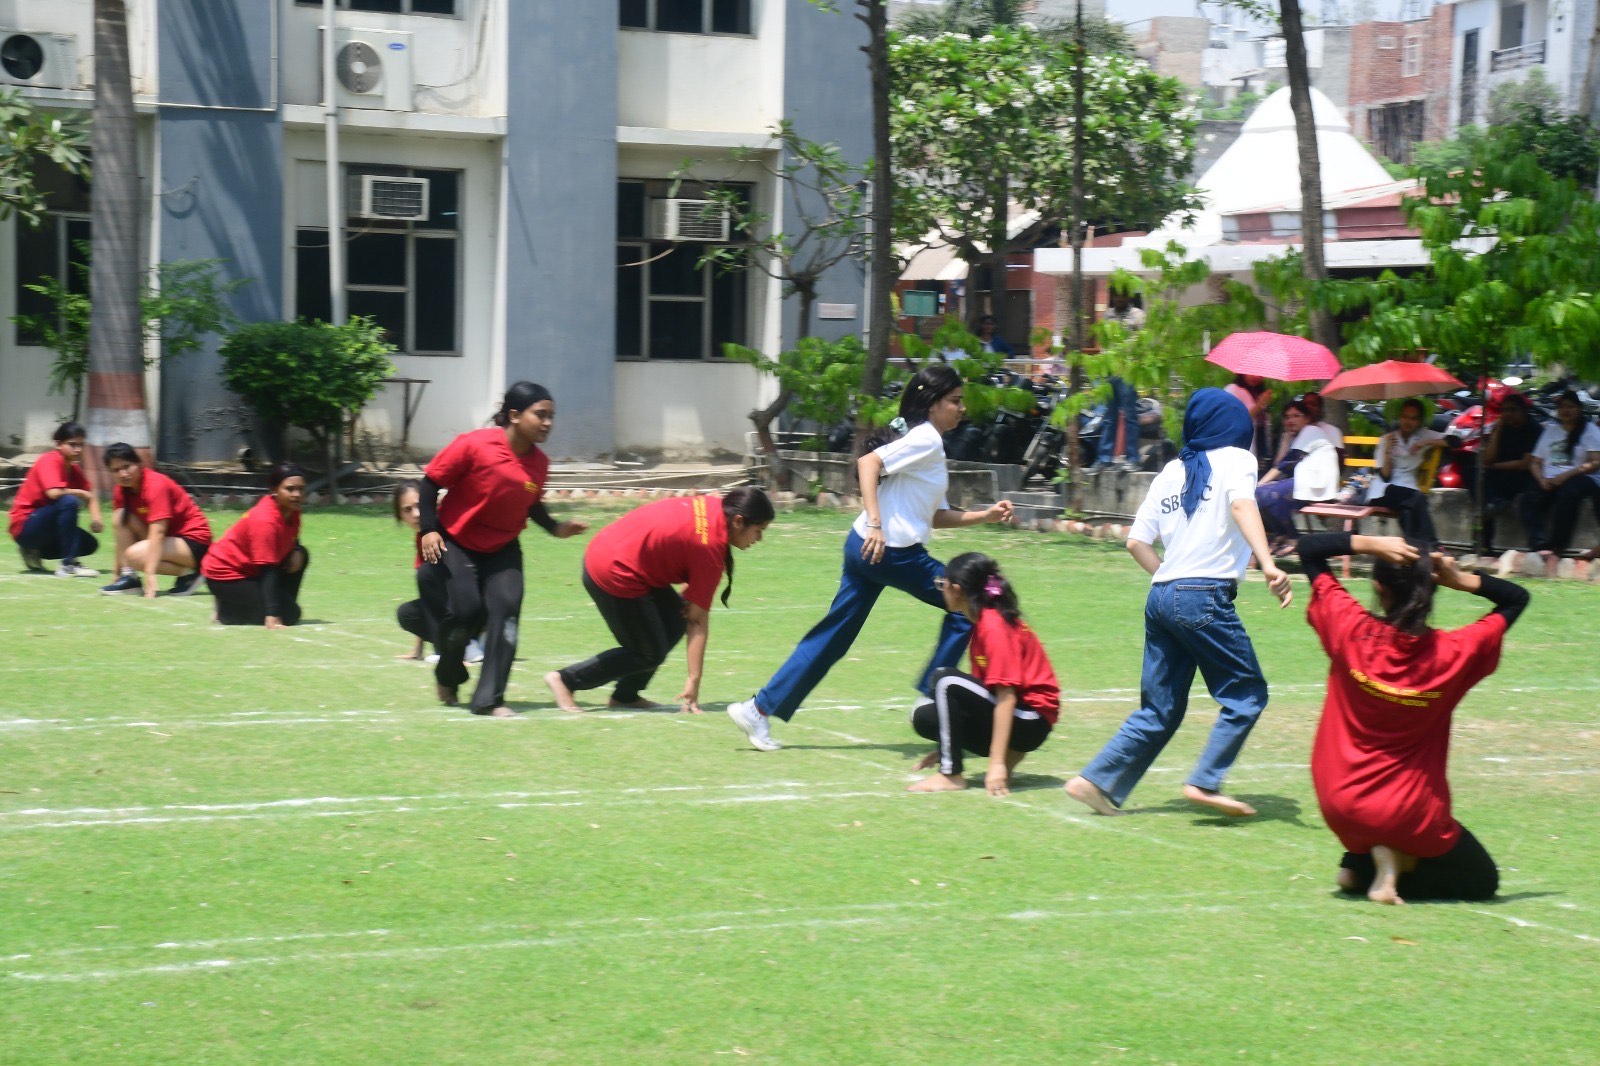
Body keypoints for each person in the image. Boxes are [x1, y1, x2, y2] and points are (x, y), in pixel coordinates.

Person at [726, 365, 1014, 752]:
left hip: (862, 547)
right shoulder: (926, 439)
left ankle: (757, 710)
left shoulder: (924, 441)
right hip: (892, 554)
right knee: (967, 605)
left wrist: (985, 516)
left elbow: (933, 516)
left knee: (832, 638)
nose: (962, 408)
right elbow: (868, 463)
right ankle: (932, 695)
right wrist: (876, 523)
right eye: (955, 401)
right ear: (933, 405)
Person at [1065, 388, 1293, 819]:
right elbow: (1242, 504)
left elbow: (1136, 542)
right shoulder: (1238, 459)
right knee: (1246, 694)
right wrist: (1268, 564)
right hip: (1202, 595)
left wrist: (1170, 583)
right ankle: (1204, 781)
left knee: (1160, 709)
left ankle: (1093, 781)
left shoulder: (1171, 470)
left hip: (1161, 595)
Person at [1299, 531, 1528, 905]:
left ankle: (1358, 865)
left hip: (1338, 803)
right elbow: (1517, 599)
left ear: (1378, 587)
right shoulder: (1455, 653)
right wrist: (1461, 579)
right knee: (1481, 880)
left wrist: (1372, 543)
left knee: (1373, 821)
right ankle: (1394, 863)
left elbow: (1309, 550)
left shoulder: (1350, 629)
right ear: (1432, 589)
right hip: (1408, 814)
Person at [417, 381, 586, 717]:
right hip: (457, 541)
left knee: (506, 612)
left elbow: (531, 504)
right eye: (540, 415)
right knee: (464, 614)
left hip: (503, 547)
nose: (548, 423)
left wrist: (555, 528)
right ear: (514, 415)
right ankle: (448, 674)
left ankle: (489, 699)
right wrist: (428, 529)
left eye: (551, 416)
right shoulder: (474, 445)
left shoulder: (539, 463)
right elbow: (430, 483)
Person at [545, 488, 775, 715]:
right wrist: (694, 680)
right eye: (758, 531)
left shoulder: (716, 506)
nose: (759, 539)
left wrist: (693, 596)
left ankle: (625, 696)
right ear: (738, 521)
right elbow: (696, 621)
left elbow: (689, 599)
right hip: (614, 570)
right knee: (648, 652)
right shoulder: (710, 547)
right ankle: (565, 680)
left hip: (615, 550)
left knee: (675, 620)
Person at [906, 552, 1059, 796]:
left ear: (957, 590)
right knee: (924, 715)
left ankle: (951, 775)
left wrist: (996, 765)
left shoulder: (994, 626)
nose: (941, 589)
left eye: (942, 584)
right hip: (1021, 717)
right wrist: (948, 746)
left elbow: (1006, 696)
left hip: (1031, 719)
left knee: (944, 680)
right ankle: (1007, 753)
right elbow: (982, 692)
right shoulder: (982, 623)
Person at [201, 463, 310, 627]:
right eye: (290, 489)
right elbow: (268, 570)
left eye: (301, 489)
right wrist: (272, 614)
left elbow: (290, 536)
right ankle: (227, 613)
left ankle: (282, 605)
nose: (297, 494)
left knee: (302, 554)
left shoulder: (292, 511)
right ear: (274, 490)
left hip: (252, 570)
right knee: (290, 615)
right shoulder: (265, 520)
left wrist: (296, 549)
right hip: (226, 575)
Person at [98, 442, 213, 597]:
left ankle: (194, 571)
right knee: (120, 517)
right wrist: (116, 575)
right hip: (169, 541)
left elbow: (158, 532)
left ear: (138, 464)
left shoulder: (155, 484)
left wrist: (149, 573)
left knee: (134, 556)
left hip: (194, 542)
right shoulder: (121, 490)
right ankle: (129, 577)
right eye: (116, 470)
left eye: (127, 466)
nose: (123, 474)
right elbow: (121, 535)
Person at [392, 481, 485, 665]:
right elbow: (428, 595)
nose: (416, 514)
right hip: (454, 607)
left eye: (419, 505)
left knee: (427, 574)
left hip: (477, 605)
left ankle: (462, 647)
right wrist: (417, 648)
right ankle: (462, 645)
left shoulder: (447, 526)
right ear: (400, 516)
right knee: (407, 614)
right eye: (407, 510)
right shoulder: (422, 538)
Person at [1519, 390, 1600, 576]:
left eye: (1570, 406)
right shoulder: (1550, 432)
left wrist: (1565, 476)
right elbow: (1535, 462)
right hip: (1550, 479)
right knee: (1529, 499)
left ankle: (1557, 547)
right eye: (1562, 407)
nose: (1566, 410)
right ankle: (1540, 546)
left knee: (1568, 495)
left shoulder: (1590, 431)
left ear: (1579, 409)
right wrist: (1541, 479)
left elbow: (1595, 462)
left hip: (1582, 477)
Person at [10, 421, 103, 577]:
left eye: (81, 445)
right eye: (72, 444)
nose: (78, 449)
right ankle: (68, 564)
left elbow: (90, 493)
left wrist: (97, 520)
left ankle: (34, 551)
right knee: (69, 501)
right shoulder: (49, 460)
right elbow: (53, 493)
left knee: (89, 544)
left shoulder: (73, 468)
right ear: (58, 444)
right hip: (25, 527)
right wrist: (80, 493)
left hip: (45, 526)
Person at [1255, 399, 1338, 554]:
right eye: (1287, 417)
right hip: (1305, 481)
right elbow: (1282, 463)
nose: (1290, 420)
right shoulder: (1297, 437)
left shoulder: (1310, 431)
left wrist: (1260, 483)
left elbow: (1284, 464)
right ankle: (1281, 533)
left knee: (1268, 494)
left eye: (1296, 416)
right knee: (1259, 494)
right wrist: (1286, 440)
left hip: (1316, 482)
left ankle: (1292, 537)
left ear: (1307, 418)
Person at [1369, 398, 1445, 546]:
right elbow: (1385, 477)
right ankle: (1432, 545)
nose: (1407, 422)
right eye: (1404, 417)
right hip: (1383, 491)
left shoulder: (1423, 436)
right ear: (1399, 418)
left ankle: (1415, 550)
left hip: (1408, 491)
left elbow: (1455, 440)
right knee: (1417, 498)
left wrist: (1426, 442)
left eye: (1413, 418)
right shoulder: (1386, 440)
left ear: (1419, 421)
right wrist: (1388, 452)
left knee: (1408, 512)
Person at [1476, 392, 1541, 553]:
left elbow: (1525, 464)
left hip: (1524, 476)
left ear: (1523, 411)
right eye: (1504, 410)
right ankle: (1485, 545)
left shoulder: (1533, 429)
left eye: (1513, 410)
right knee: (1473, 476)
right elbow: (1487, 459)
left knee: (1488, 488)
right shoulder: (1503, 428)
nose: (1508, 414)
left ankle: (1492, 504)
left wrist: (1494, 467)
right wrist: (1497, 431)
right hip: (1501, 472)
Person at [1096, 291, 1146, 471]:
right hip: (1109, 372)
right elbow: (1103, 342)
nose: (1118, 299)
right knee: (1109, 417)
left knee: (1130, 416)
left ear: (1128, 297)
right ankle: (1104, 459)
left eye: (1122, 296)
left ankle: (1133, 459)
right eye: (1116, 296)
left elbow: (1141, 342)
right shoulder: (1108, 315)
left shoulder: (1137, 315)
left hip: (1127, 371)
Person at [1223, 374, 1274, 470]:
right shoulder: (1233, 389)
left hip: (1257, 448)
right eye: (1252, 373)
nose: (1256, 377)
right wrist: (1260, 404)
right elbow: (1237, 419)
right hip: (1236, 449)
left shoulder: (1256, 394)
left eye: (1260, 374)